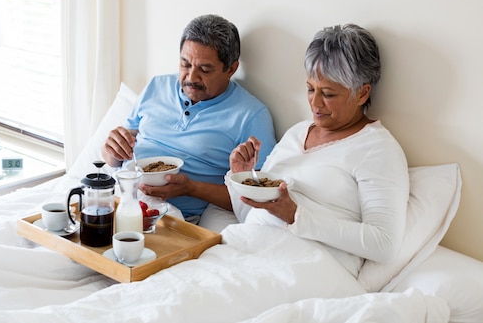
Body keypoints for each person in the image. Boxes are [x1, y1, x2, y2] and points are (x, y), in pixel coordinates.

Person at [227, 24, 409, 276]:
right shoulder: (297, 133)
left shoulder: (377, 149)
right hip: (246, 250)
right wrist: (242, 176)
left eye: (328, 93)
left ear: (362, 93)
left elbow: (384, 244)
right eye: (311, 89)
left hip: (304, 267)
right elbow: (248, 216)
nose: (314, 102)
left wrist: (297, 216)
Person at [102, 14, 276, 222]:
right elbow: (115, 156)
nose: (191, 78)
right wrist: (112, 149)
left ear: (231, 69)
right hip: (120, 198)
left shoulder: (251, 115)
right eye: (185, 65)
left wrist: (191, 188)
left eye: (205, 69)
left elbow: (256, 199)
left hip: (172, 219)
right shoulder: (156, 86)